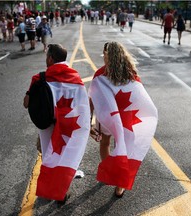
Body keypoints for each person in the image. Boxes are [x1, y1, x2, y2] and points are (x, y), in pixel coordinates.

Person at [88, 41, 158, 198]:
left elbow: (93, 98)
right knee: (124, 149)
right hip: (126, 118)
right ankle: (120, 186)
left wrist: (89, 120)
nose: (103, 58)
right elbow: (139, 96)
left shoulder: (100, 74)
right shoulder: (131, 73)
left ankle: (110, 174)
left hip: (107, 118)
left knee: (105, 143)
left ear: (107, 55)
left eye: (104, 55)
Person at [23, 44, 90, 204]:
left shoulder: (39, 78)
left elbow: (26, 104)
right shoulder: (76, 78)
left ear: (51, 58)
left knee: (49, 155)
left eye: (47, 56)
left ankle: (52, 189)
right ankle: (62, 190)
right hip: (69, 125)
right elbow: (83, 106)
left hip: (47, 125)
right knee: (66, 156)